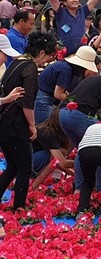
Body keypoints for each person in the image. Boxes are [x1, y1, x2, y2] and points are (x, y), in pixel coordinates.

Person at [0, 31, 58, 209]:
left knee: (13, 166)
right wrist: (32, 126)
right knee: (25, 167)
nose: (47, 62)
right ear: (41, 53)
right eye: (48, 57)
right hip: (16, 125)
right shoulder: (30, 68)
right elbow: (27, 103)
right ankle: (18, 207)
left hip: (4, 122)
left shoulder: (16, 63)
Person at [35, 45, 98, 124]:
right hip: (42, 99)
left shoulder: (64, 66)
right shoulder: (66, 70)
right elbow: (58, 94)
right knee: (44, 128)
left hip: (42, 96)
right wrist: (74, 101)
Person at [30, 106, 74, 188]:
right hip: (26, 163)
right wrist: (79, 163)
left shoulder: (51, 130)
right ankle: (33, 187)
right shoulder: (49, 133)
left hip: (30, 158)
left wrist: (68, 170)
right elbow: (61, 162)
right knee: (55, 160)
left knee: (61, 152)